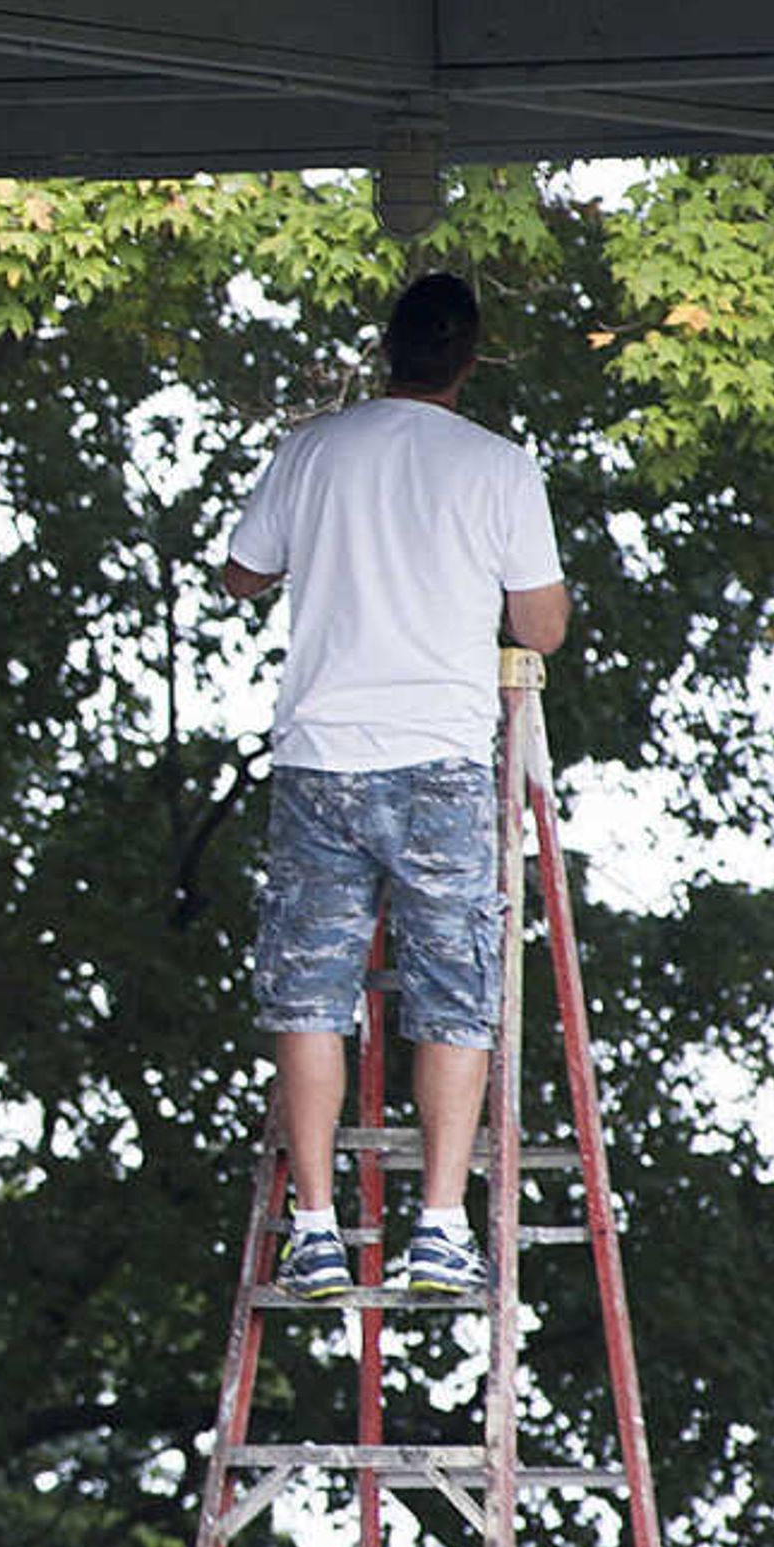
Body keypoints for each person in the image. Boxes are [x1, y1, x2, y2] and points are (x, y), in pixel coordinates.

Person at [218, 272, 569, 1301]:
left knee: (310, 991)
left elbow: (240, 572)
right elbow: (540, 627)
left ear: (388, 349)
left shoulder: (314, 449)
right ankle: (441, 1227)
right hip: (440, 763)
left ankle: (317, 1227)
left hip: (323, 756)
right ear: (468, 359)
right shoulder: (499, 467)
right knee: (455, 992)